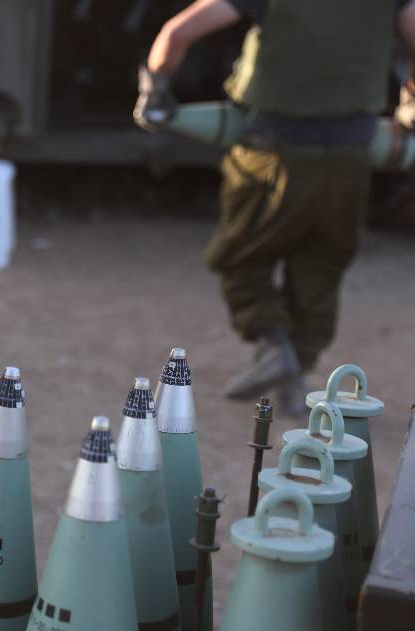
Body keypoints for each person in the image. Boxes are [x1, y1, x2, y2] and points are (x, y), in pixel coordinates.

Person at [136, 0, 415, 414]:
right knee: (322, 265)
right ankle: (296, 373)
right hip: (352, 152)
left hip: (272, 151)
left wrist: (154, 94)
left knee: (240, 255)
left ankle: (271, 344)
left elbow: (177, 33)